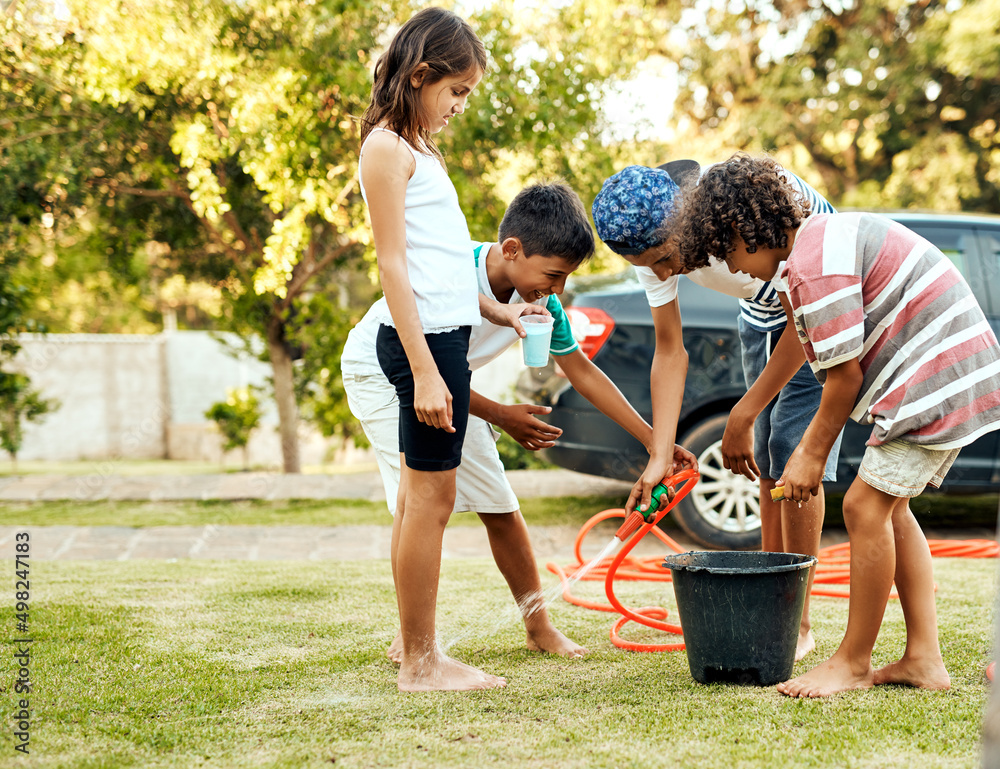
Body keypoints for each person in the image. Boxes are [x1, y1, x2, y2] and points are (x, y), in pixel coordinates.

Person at [672, 152, 1000, 697]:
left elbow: (843, 379)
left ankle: (852, 662)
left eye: (726, 252)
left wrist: (809, 454)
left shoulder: (814, 264)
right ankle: (923, 658)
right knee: (891, 511)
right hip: (953, 371)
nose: (731, 269)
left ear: (744, 231)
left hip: (936, 377)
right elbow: (807, 346)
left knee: (862, 506)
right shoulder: (812, 247)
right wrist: (749, 411)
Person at [344, 181, 693, 667]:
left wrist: (658, 444)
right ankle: (413, 639)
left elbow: (584, 374)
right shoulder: (451, 268)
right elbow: (420, 365)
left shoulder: (543, 304)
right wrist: (502, 416)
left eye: (566, 279)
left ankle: (539, 627)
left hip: (452, 385)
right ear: (512, 250)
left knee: (500, 506)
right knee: (419, 500)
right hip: (384, 372)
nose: (558, 291)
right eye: (553, 274)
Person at [357, 7, 543, 693]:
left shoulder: (420, 150)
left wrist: (499, 310)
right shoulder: (386, 149)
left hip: (442, 337)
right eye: (455, 91)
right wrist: (430, 371)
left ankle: (415, 649)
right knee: (429, 504)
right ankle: (420, 661)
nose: (460, 106)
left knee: (419, 501)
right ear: (419, 74)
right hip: (423, 349)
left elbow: (441, 268)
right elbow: (394, 268)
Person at [591, 160, 842, 660]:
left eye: (664, 258)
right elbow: (669, 350)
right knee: (767, 464)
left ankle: (797, 619)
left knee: (792, 452)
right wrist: (659, 454)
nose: (662, 274)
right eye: (648, 266)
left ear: (686, 222)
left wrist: (742, 413)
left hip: (823, 305)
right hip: (763, 314)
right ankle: (775, 600)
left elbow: (807, 320)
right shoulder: (647, 237)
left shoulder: (748, 208)